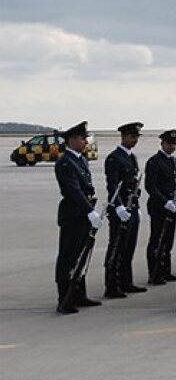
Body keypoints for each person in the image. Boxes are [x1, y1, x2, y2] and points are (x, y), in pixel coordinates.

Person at [54, 122, 103, 314]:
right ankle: (64, 297)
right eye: (83, 138)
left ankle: (79, 294)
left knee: (82, 255)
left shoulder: (81, 159)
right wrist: (88, 210)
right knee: (68, 257)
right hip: (73, 214)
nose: (85, 142)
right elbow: (72, 190)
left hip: (84, 213)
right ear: (72, 140)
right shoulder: (65, 162)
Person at [104, 121, 145, 298]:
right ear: (123, 137)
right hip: (120, 208)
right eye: (132, 136)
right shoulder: (114, 158)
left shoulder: (131, 157)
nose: (134, 140)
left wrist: (136, 205)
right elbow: (113, 185)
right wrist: (119, 206)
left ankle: (126, 281)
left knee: (129, 246)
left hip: (132, 208)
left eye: (136, 137)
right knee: (117, 246)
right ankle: (112, 285)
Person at [145, 129, 176, 285]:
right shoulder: (154, 161)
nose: (172, 147)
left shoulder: (172, 161)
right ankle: (154, 272)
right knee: (157, 239)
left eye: (174, 144)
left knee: (168, 240)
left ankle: (165, 270)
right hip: (159, 206)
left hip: (172, 206)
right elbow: (150, 186)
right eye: (169, 143)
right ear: (162, 144)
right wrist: (164, 201)